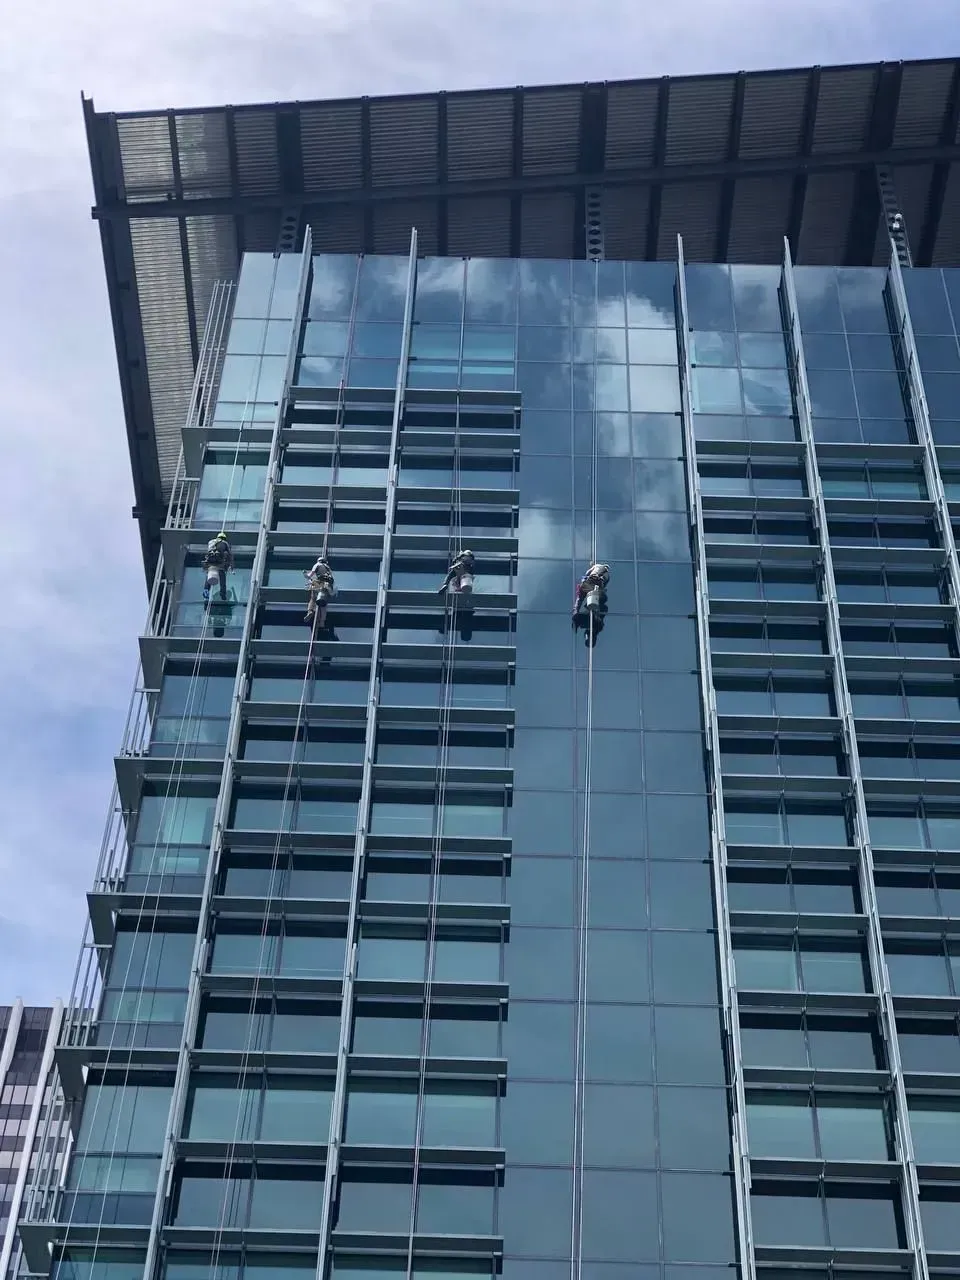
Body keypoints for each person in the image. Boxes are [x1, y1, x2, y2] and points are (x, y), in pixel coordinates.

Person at [305, 555, 336, 626]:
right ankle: (322, 621)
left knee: (313, 598)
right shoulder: (328, 568)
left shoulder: (317, 565)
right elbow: (332, 580)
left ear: (319, 561)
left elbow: (309, 575)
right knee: (323, 604)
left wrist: (305, 574)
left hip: (319, 583)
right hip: (328, 586)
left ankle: (310, 611)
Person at [202, 532, 233, 602]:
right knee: (222, 578)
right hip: (219, 562)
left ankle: (206, 590)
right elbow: (230, 555)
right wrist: (230, 565)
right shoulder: (225, 543)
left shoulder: (211, 542)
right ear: (224, 538)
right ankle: (223, 594)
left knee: (209, 575)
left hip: (209, 561)